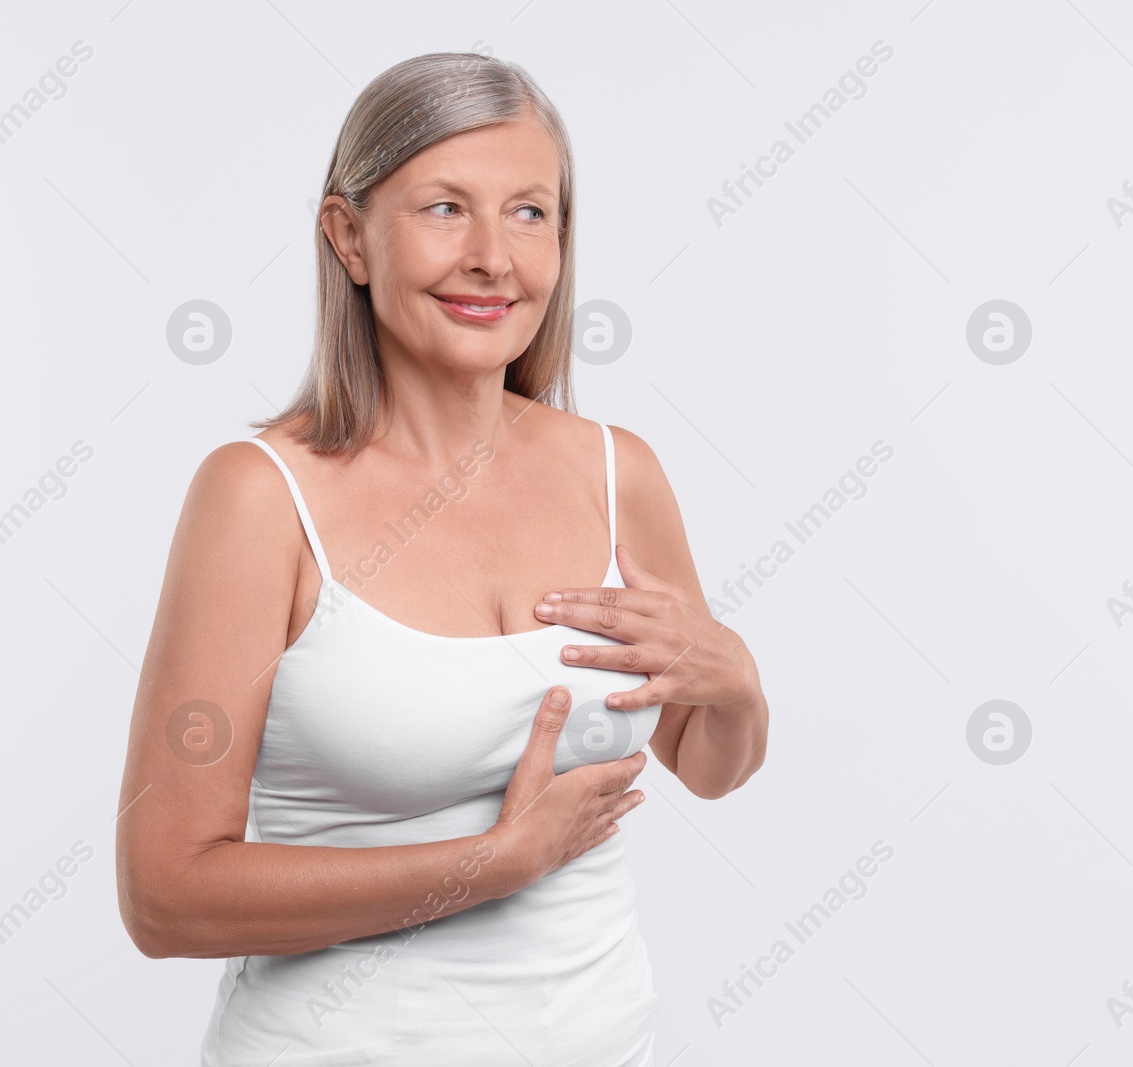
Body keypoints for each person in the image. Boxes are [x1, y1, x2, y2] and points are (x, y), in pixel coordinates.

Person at [113, 52, 768, 1066]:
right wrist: (487, 864)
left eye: (529, 213)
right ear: (349, 237)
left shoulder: (616, 471)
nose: (494, 257)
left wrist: (736, 686)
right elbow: (163, 895)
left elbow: (707, 763)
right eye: (445, 208)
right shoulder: (259, 497)